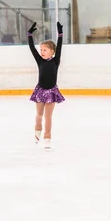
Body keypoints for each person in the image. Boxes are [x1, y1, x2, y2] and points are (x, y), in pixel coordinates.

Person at [28, 21, 65, 149]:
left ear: (52, 52)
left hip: (51, 91)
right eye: (41, 50)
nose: (42, 52)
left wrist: (60, 34)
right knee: (39, 114)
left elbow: (60, 47)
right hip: (40, 90)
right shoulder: (39, 61)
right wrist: (29, 35)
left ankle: (47, 137)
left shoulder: (56, 61)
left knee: (48, 116)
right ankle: (37, 130)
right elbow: (32, 48)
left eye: (45, 50)